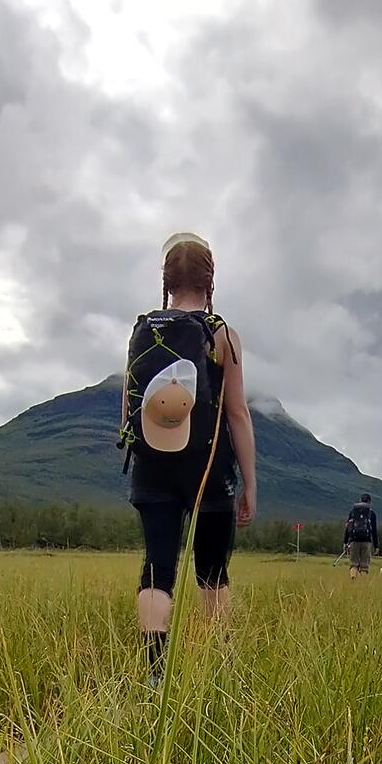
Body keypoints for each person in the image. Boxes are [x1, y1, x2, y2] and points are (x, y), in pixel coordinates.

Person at [121, 231, 257, 682]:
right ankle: (219, 670)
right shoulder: (222, 334)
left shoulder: (142, 330)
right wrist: (249, 483)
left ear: (167, 282)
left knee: (157, 567)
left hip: (152, 468)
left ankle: (154, 675)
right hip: (209, 470)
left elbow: (128, 409)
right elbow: (237, 413)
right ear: (209, 281)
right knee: (212, 571)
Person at [343, 492, 378, 576]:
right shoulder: (372, 513)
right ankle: (362, 585)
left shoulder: (353, 512)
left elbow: (348, 527)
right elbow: (374, 531)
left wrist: (345, 542)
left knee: (353, 563)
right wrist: (376, 546)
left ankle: (353, 580)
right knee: (364, 565)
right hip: (366, 541)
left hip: (354, 540)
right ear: (370, 502)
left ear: (360, 500)